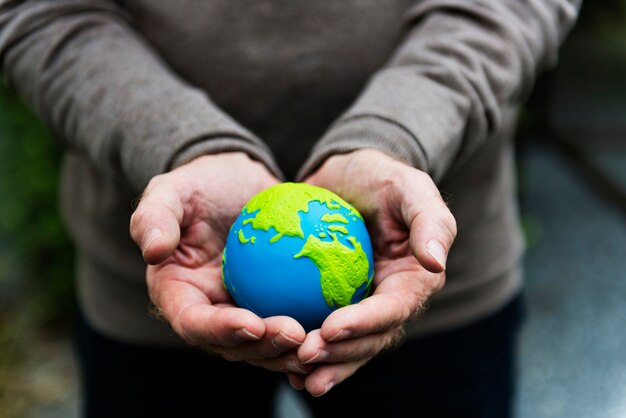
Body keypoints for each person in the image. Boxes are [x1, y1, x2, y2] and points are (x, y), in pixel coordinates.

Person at [0, 1, 581, 417]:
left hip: (422, 270)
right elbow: (44, 11)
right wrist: (180, 145)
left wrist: (395, 133)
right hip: (174, 271)